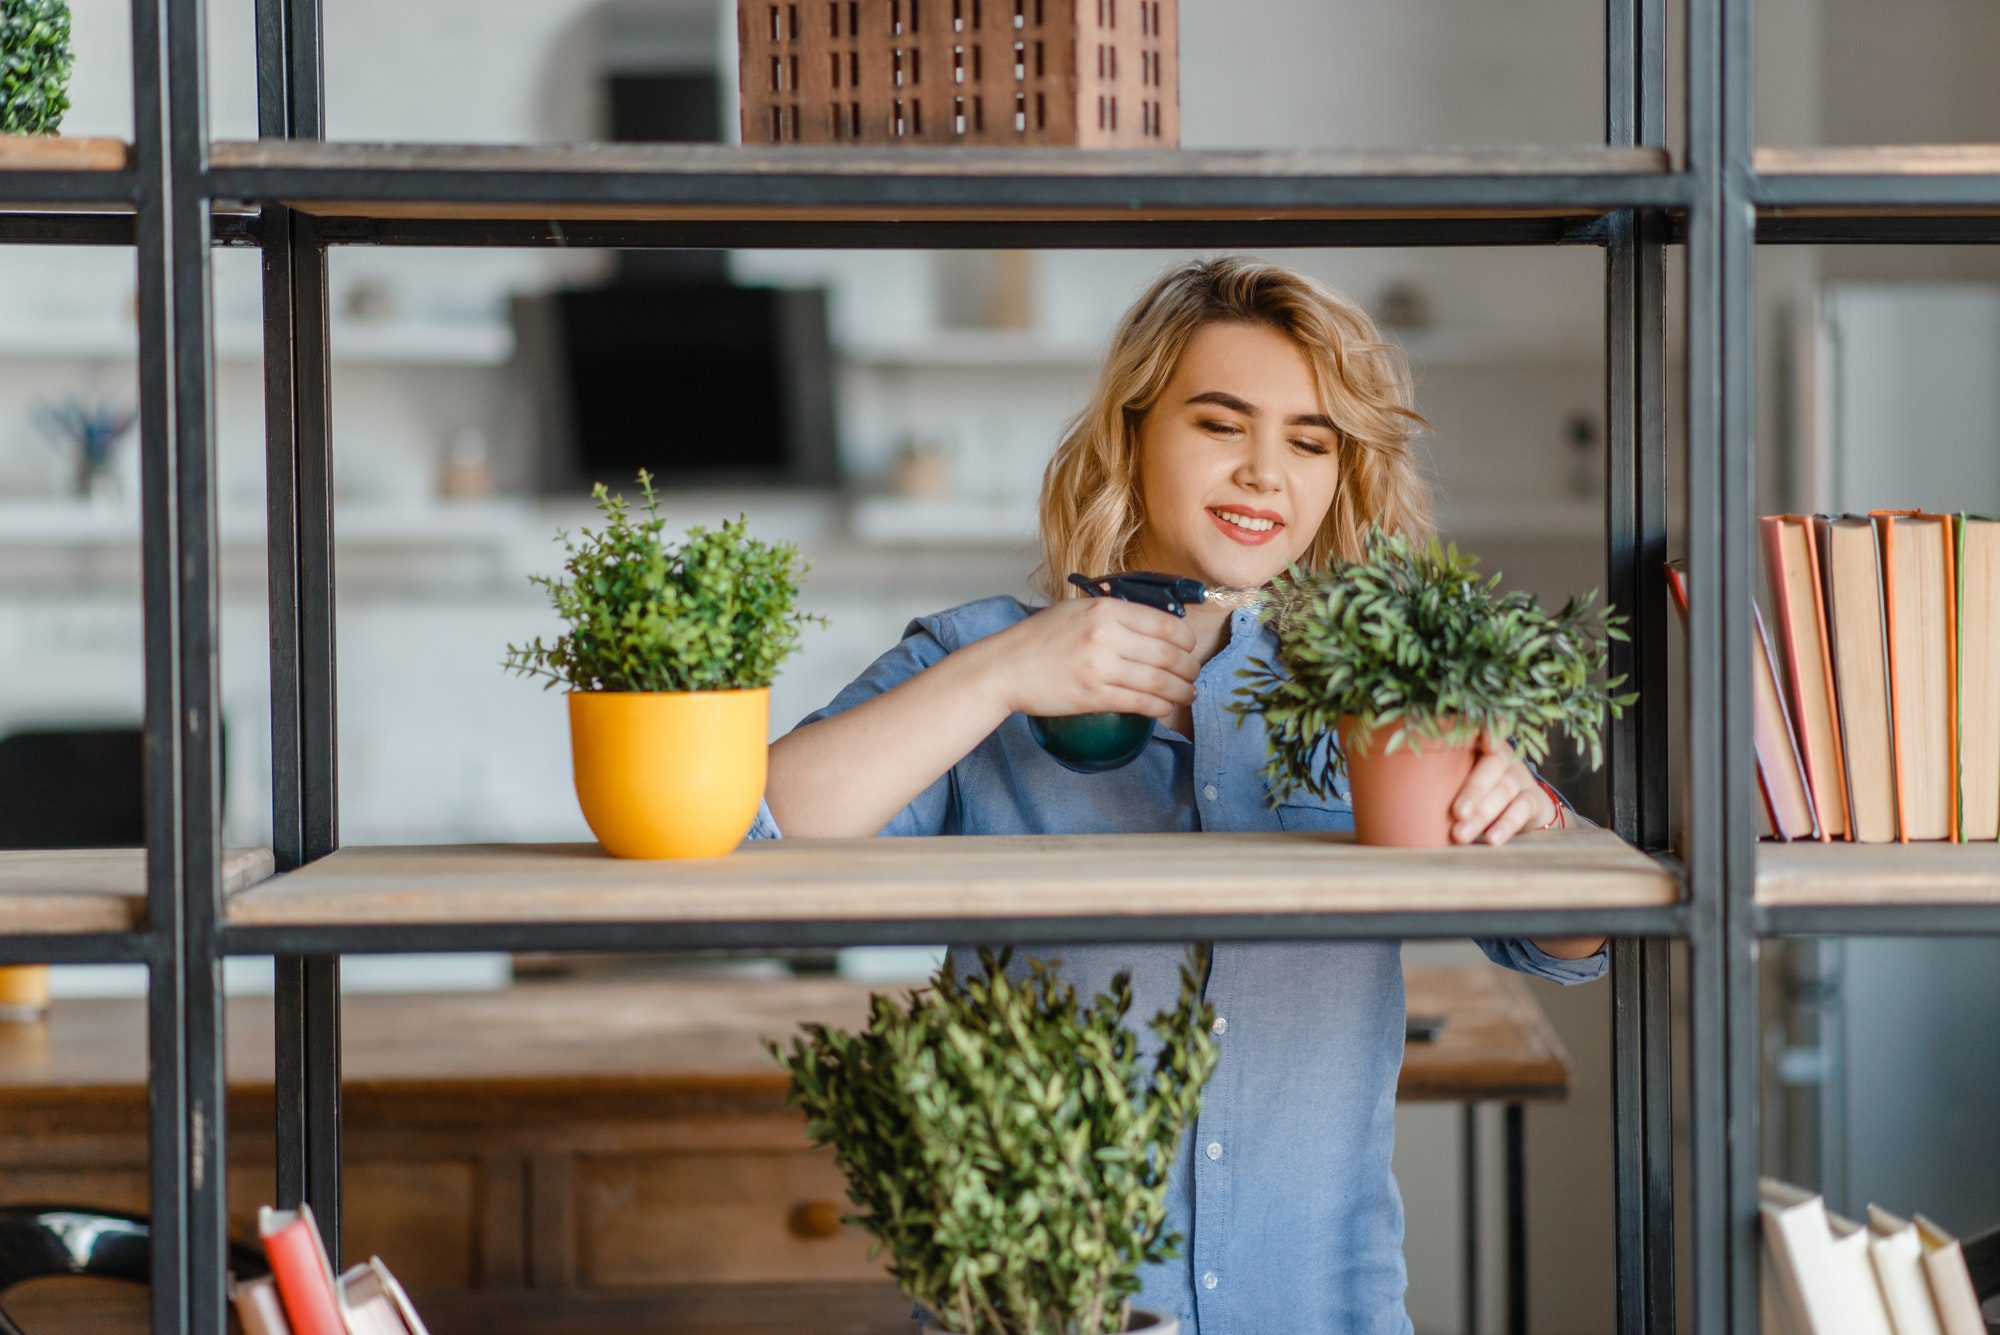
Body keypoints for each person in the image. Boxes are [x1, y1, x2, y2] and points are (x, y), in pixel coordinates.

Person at [752, 255, 1607, 1334]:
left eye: (1308, 442)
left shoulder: (1383, 693)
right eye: (1220, 424)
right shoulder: (977, 658)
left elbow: (1568, 948)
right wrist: (1004, 675)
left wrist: (1538, 825)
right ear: (1133, 433)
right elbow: (751, 825)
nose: (1264, 473)